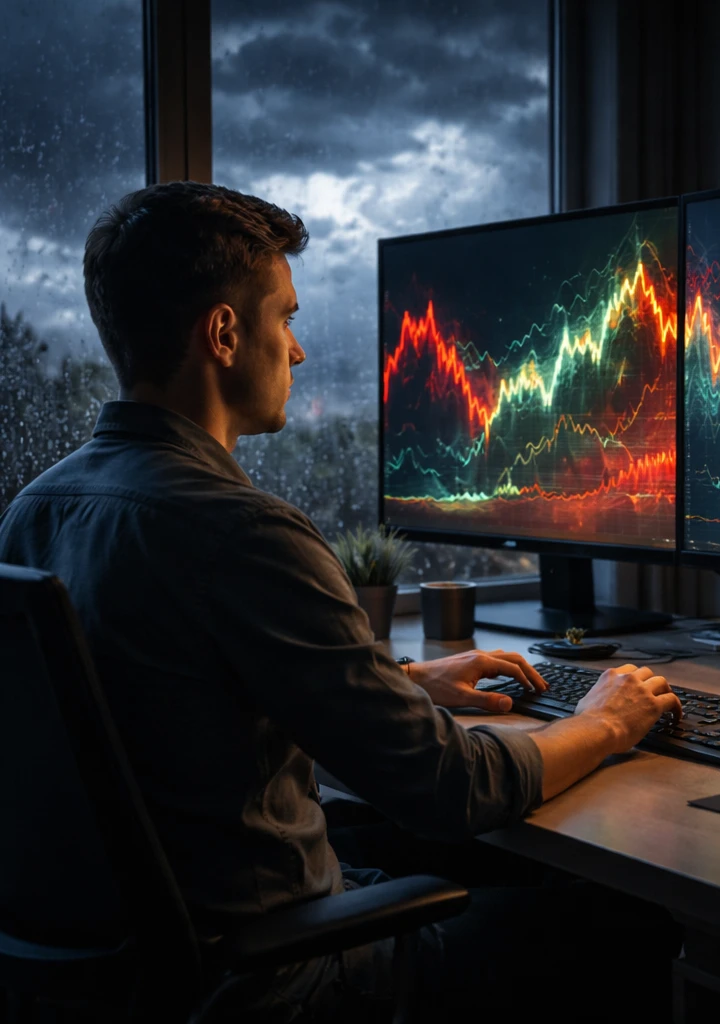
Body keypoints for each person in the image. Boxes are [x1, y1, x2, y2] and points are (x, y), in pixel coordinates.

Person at [0, 182, 682, 1021]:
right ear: (222, 333)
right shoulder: (242, 531)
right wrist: (608, 719)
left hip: (128, 967)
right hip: (279, 981)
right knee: (630, 919)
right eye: (284, 319)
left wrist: (399, 681)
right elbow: (448, 786)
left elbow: (163, 699)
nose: (298, 352)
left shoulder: (36, 509)